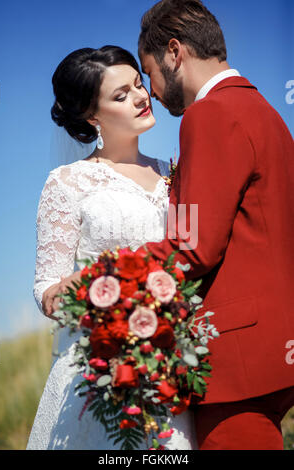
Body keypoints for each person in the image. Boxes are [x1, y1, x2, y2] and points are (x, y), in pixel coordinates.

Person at [136, 0, 294, 450]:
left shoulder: (210, 113)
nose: (152, 89)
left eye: (149, 72)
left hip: (236, 360)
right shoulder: (267, 112)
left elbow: (193, 247)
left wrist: (110, 270)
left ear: (173, 52)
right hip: (272, 350)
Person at [27, 46, 197, 450]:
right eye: (120, 95)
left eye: (139, 84)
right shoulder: (66, 183)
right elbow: (46, 289)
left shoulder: (180, 173)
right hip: (97, 366)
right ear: (93, 116)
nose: (141, 97)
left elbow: (192, 256)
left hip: (167, 363)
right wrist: (99, 286)